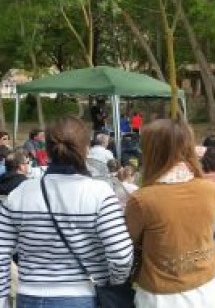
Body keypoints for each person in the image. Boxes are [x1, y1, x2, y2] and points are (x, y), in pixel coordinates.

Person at [0, 116, 134, 308]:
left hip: (29, 296)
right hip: (83, 295)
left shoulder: (21, 193)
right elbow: (121, 254)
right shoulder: (100, 193)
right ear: (86, 149)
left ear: (46, 150)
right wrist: (110, 281)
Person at [125, 118, 215, 307]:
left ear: (150, 151)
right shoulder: (210, 188)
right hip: (209, 287)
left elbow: (126, 243)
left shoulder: (142, 199)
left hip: (163, 296)